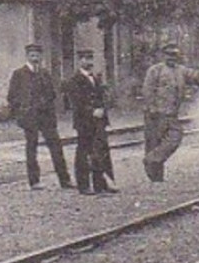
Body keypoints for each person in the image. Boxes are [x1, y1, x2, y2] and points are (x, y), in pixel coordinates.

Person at [141, 43, 199, 181]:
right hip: (156, 114)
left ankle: (152, 160)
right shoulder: (155, 70)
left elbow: (195, 76)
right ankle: (156, 178)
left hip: (171, 114)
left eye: (175, 55)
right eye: (169, 55)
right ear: (163, 56)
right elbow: (147, 91)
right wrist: (152, 109)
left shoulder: (181, 70)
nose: (172, 58)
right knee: (154, 143)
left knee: (174, 139)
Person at [7, 43, 73, 189]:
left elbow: (52, 93)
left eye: (37, 55)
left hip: (46, 117)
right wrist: (21, 111)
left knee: (56, 147)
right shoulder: (19, 74)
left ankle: (64, 179)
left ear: (40, 56)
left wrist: (47, 104)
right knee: (31, 148)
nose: (35, 57)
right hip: (30, 117)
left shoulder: (45, 73)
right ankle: (34, 181)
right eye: (32, 55)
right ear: (27, 56)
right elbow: (12, 96)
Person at [63, 49, 117, 195]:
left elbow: (102, 98)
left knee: (101, 151)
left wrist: (103, 110)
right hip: (84, 122)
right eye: (85, 59)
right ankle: (84, 185)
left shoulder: (95, 78)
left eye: (90, 58)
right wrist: (91, 111)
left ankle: (103, 183)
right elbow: (76, 103)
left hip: (99, 121)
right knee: (83, 153)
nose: (88, 62)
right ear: (79, 61)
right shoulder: (74, 80)